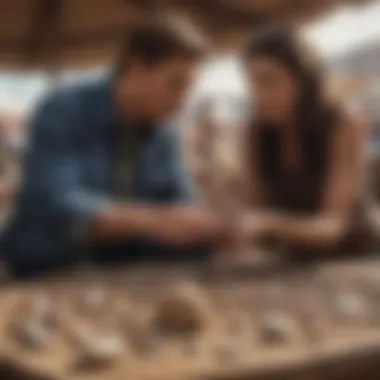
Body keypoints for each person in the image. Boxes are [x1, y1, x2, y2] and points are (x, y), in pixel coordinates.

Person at [0, 17, 230, 277]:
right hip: (49, 269)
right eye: (175, 84)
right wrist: (156, 221)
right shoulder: (64, 110)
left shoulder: (164, 134)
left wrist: (209, 228)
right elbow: (58, 206)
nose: (181, 103)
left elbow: (181, 207)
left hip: (124, 274)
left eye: (188, 89)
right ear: (135, 68)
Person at [238, 26, 378, 260]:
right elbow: (251, 210)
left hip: (357, 255)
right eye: (252, 83)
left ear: (303, 79)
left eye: (269, 81)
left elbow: (332, 227)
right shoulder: (255, 131)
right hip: (294, 261)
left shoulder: (341, 124)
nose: (258, 95)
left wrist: (264, 225)